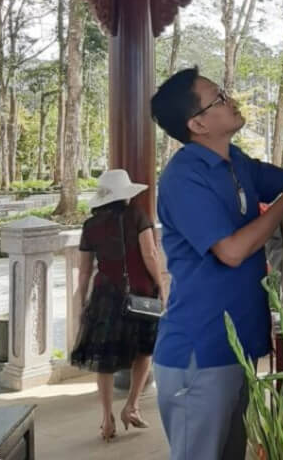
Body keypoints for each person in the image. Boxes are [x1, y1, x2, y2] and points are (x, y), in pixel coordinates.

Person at [149, 67, 283, 460]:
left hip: (238, 343)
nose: (231, 101)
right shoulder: (183, 177)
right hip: (200, 349)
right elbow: (232, 251)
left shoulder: (234, 162)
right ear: (198, 123)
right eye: (219, 98)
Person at [70, 168, 165, 441]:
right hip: (140, 291)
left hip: (104, 295)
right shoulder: (137, 216)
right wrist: (160, 286)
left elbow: (85, 271)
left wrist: (82, 300)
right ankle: (132, 407)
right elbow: (150, 254)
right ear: (126, 194)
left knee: (104, 360)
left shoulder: (90, 226)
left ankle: (106, 419)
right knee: (144, 351)